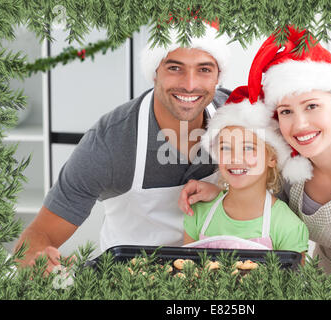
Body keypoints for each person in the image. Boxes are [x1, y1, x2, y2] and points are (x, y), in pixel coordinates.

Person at [179, 26, 331, 277]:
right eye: (286, 111)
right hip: (325, 279)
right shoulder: (287, 159)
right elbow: (261, 202)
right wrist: (220, 192)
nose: (300, 125)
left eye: (311, 106)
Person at [14, 23, 232, 273]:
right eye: (174, 67)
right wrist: (36, 258)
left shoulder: (238, 117)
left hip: (218, 275)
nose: (190, 84)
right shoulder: (111, 141)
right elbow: (38, 234)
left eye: (204, 69)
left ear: (218, 77)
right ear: (155, 72)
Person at [182, 86, 312, 264]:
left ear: (272, 158)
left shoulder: (288, 227)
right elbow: (184, 276)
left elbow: (292, 289)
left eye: (248, 148)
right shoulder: (198, 214)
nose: (235, 158)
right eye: (225, 148)